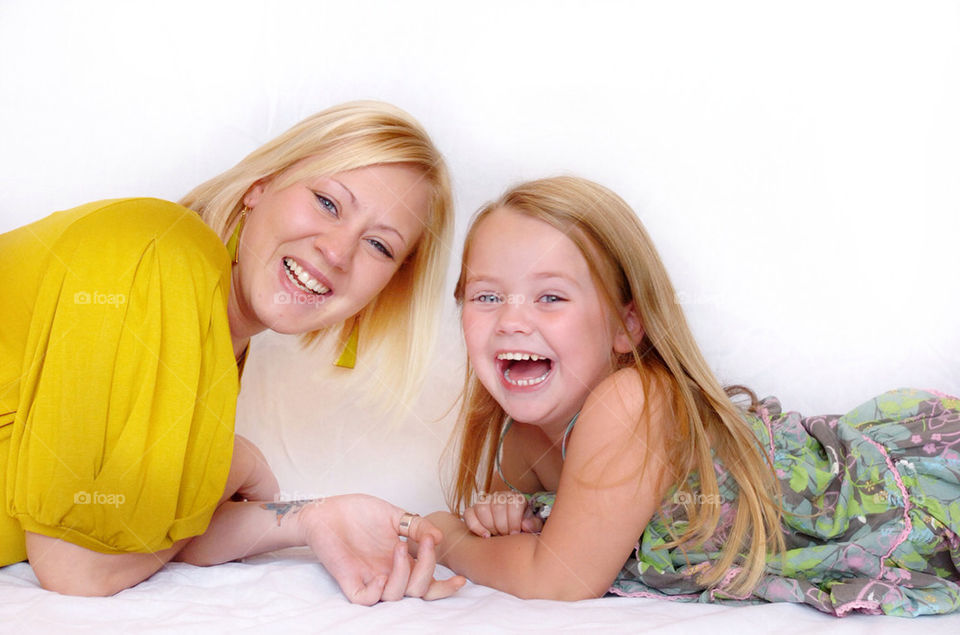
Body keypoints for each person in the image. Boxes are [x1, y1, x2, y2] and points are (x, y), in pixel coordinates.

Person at [420, 176, 960, 616]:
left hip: (910, 487)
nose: (512, 320)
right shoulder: (520, 443)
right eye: (486, 296)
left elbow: (559, 578)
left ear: (627, 326)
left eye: (551, 296)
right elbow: (507, 530)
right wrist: (499, 512)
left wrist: (441, 534)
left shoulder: (628, 402)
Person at [0, 100, 465, 604]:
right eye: (328, 203)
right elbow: (81, 569)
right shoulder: (164, 252)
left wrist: (311, 517)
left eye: (379, 245)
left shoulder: (217, 332)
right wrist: (236, 461)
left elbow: (139, 525)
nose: (337, 251)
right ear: (258, 187)